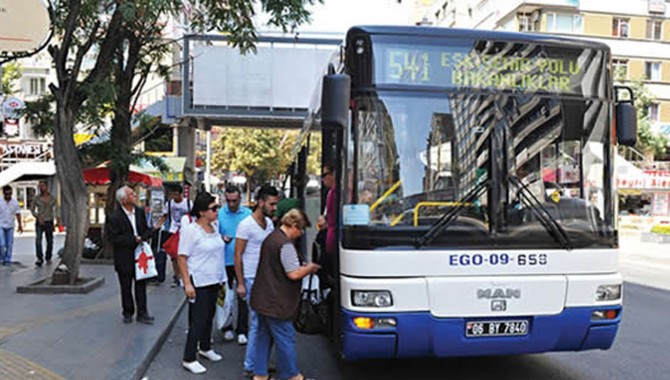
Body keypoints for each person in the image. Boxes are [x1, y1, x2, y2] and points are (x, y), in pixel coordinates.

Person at [250, 209, 320, 380]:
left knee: (263, 338)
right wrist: (310, 268)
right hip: (277, 302)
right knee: (285, 339)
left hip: (262, 298)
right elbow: (293, 274)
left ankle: (260, 374)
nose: (301, 233)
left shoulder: (271, 237)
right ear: (294, 225)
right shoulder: (285, 244)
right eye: (301, 229)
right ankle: (292, 375)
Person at [177, 192, 226, 374]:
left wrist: (222, 279)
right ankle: (189, 357)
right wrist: (187, 283)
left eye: (217, 208)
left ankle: (205, 347)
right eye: (213, 209)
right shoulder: (191, 230)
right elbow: (182, 257)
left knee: (209, 316)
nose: (217, 212)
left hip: (214, 279)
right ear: (202, 211)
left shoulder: (214, 227)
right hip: (199, 281)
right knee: (197, 320)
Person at [235, 184, 279, 378]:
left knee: (264, 323)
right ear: (260, 202)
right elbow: (238, 255)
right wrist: (241, 283)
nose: (274, 208)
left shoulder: (269, 224)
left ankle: (258, 362)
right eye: (271, 204)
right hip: (251, 279)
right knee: (257, 323)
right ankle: (251, 365)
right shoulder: (245, 225)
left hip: (265, 279)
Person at [107, 186, 154, 325]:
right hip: (124, 256)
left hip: (140, 255)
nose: (134, 196)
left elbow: (145, 229)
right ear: (123, 199)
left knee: (141, 285)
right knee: (126, 286)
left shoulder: (139, 212)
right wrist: (132, 239)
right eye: (131, 194)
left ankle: (143, 313)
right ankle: (128, 312)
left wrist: (146, 235)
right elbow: (114, 238)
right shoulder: (115, 217)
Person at [218, 185, 252, 344]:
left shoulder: (248, 214)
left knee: (242, 295)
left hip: (243, 261)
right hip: (224, 261)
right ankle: (227, 326)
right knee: (226, 297)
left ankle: (242, 329)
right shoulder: (219, 214)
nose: (231, 204)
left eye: (235, 201)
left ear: (240, 199)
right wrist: (221, 238)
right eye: (229, 201)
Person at [155, 185, 192, 287]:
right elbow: (165, 216)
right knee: (174, 255)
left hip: (186, 231)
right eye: (173, 194)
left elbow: (193, 216)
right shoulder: (170, 203)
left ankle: (185, 274)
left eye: (176, 194)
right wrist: (157, 225)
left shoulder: (188, 203)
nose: (175, 196)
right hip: (173, 230)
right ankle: (177, 276)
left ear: (181, 194)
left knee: (184, 254)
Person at [316, 163, 336, 274]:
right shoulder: (331, 192)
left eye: (325, 175)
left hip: (332, 241)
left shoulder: (334, 193)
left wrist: (326, 223)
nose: (323, 180)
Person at [31, 181, 57, 266]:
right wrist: (37, 216)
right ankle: (39, 258)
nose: (41, 188)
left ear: (46, 187)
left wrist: (58, 219)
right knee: (38, 240)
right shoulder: (36, 198)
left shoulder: (52, 198)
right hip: (40, 221)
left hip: (49, 220)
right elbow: (32, 209)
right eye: (40, 186)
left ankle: (48, 256)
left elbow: (57, 208)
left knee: (49, 240)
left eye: (43, 186)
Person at [0, 185, 23, 266]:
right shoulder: (0, 202)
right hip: (1, 225)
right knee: (1, 244)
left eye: (10, 194)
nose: (8, 196)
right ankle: (2, 258)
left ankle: (8, 259)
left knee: (9, 244)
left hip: (10, 226)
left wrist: (20, 225)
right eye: (6, 194)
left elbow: (18, 214)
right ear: (3, 194)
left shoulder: (15, 203)